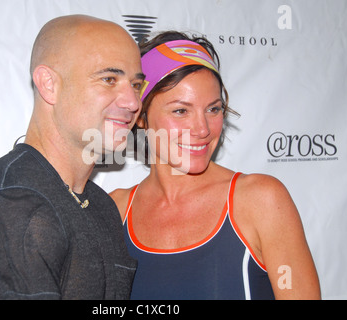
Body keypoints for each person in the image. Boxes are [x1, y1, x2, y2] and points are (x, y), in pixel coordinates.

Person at [0, 15, 145, 299]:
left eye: (136, 85)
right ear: (48, 84)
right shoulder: (9, 206)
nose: (132, 102)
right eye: (108, 79)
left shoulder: (99, 205)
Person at [110, 31, 321, 300]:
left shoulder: (260, 200)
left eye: (213, 109)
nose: (202, 129)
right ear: (140, 116)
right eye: (180, 110)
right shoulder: (115, 212)